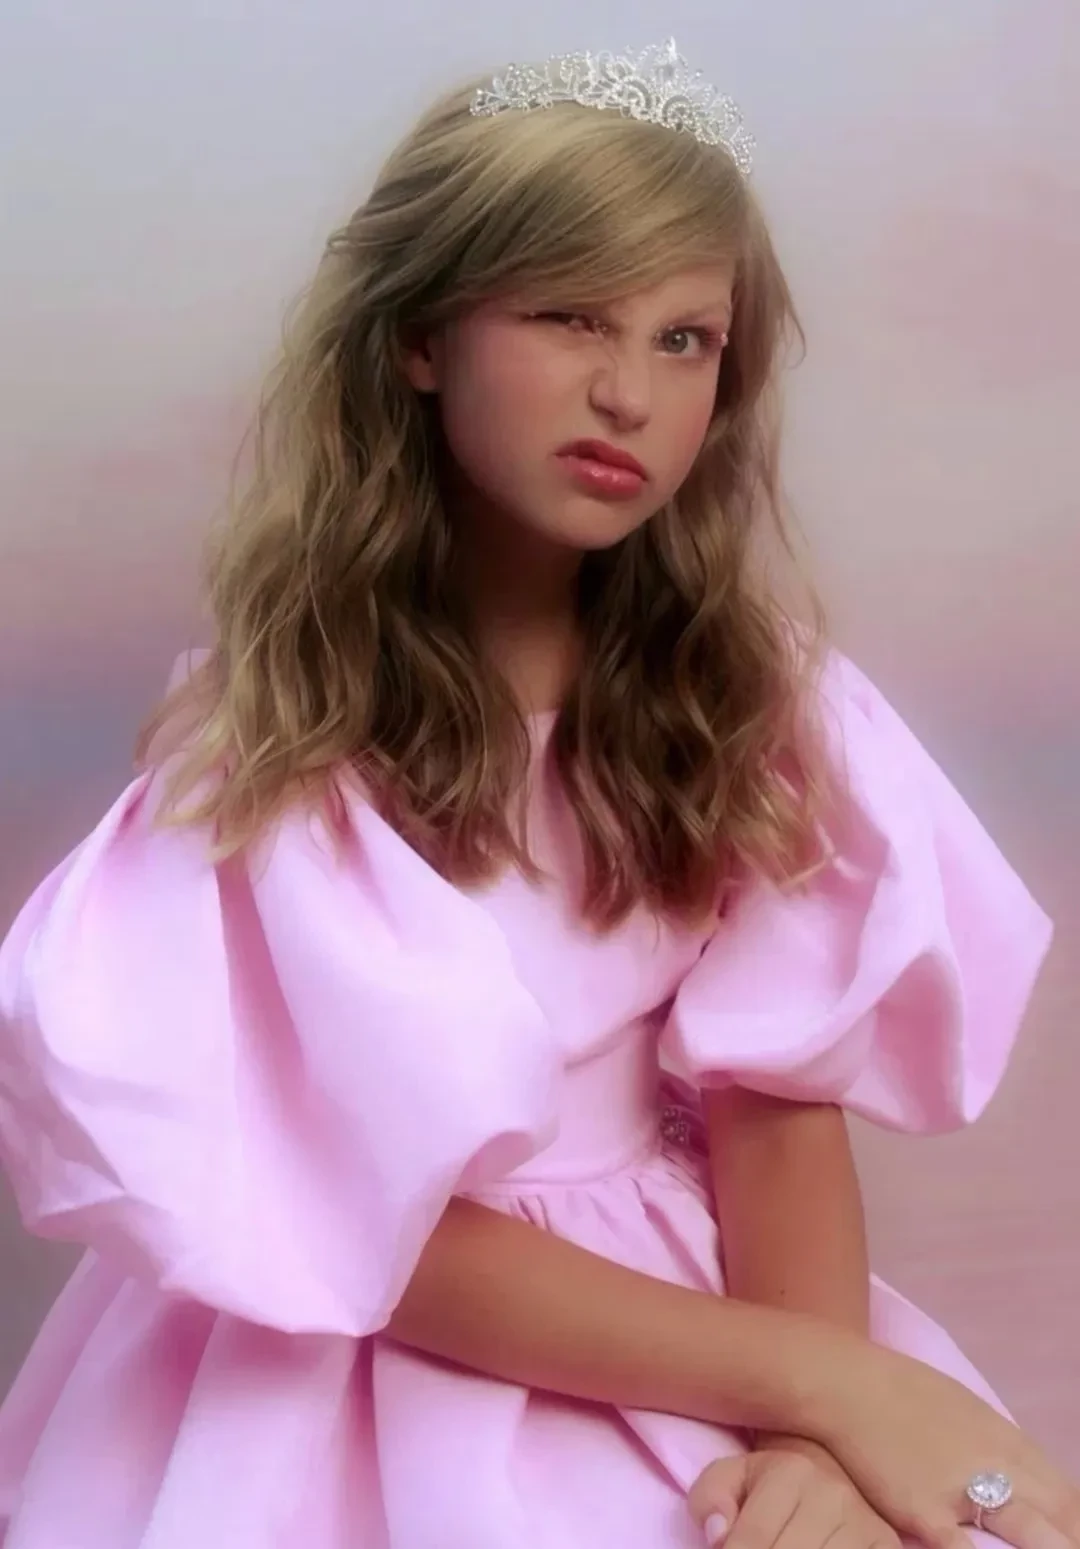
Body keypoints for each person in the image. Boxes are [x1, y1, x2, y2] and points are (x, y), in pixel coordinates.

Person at [0, 35, 1074, 1549]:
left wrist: (813, 1441)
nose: (627, 393)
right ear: (421, 337)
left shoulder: (753, 702)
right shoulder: (285, 747)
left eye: (685, 339)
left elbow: (776, 1114)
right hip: (373, 1334)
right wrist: (831, 1382)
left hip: (707, 1316)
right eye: (570, 316)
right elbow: (363, 1224)